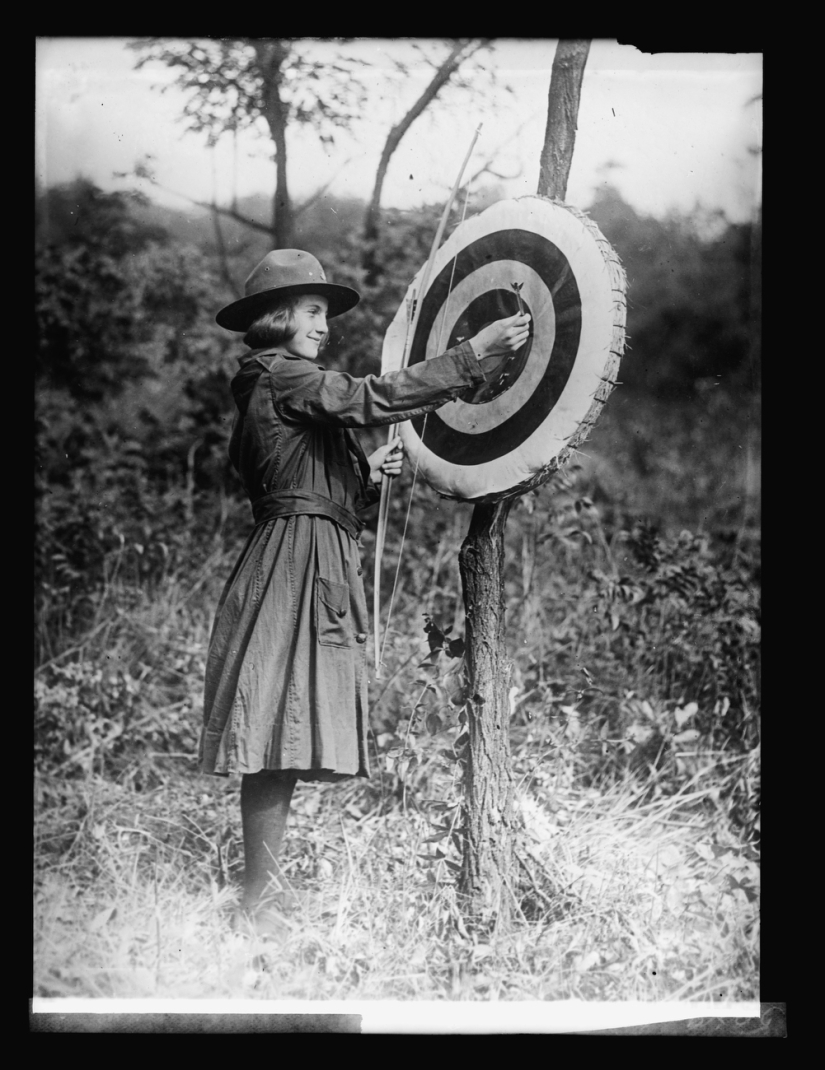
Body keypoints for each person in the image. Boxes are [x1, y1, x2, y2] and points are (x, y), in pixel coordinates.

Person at [200, 248, 530, 935]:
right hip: (293, 563)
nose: (323, 325)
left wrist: (368, 477)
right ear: (278, 316)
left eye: (323, 313)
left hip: (306, 556)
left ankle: (262, 896)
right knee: (271, 732)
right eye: (313, 311)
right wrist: (470, 356)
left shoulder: (278, 384)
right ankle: (256, 905)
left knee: (281, 732)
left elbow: (305, 480)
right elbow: (370, 398)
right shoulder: (282, 375)